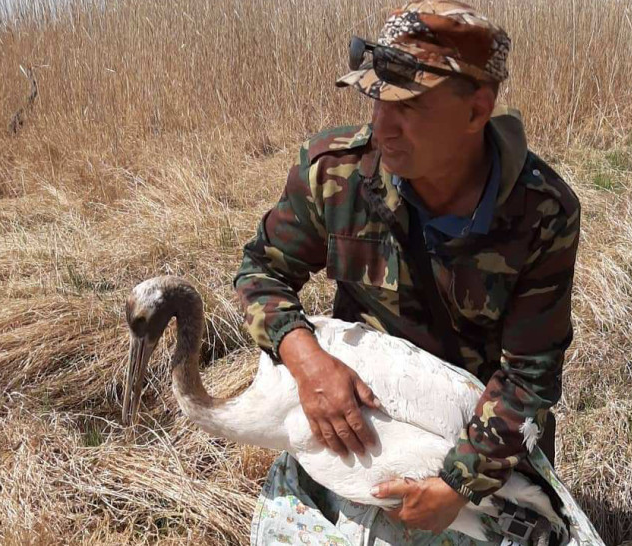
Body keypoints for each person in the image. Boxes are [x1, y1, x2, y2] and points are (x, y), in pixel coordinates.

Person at [234, 1, 580, 544]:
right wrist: (309, 363)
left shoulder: (542, 212)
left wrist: (457, 485)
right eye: (375, 97)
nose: (382, 125)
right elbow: (261, 271)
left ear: (476, 111)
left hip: (485, 440)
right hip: (367, 424)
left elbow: (529, 376)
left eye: (409, 105)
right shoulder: (335, 171)